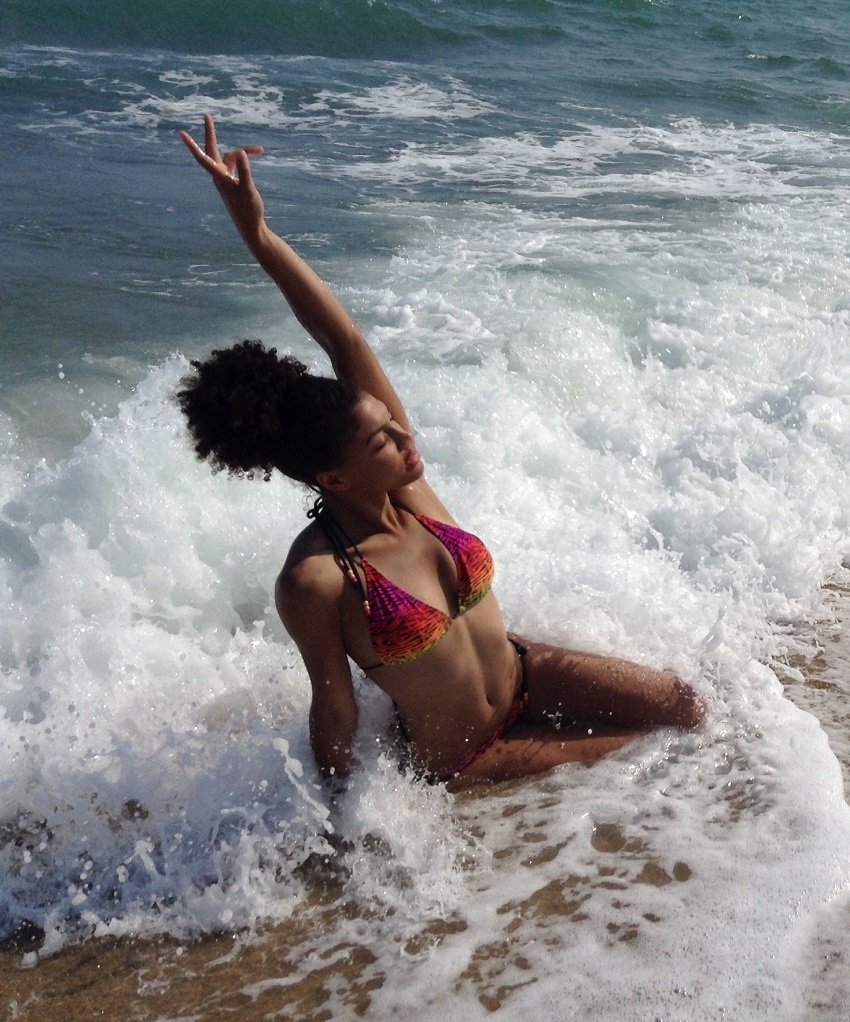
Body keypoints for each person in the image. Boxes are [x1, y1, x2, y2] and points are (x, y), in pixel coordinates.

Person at [176, 114, 704, 791]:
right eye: (383, 440)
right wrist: (344, 828)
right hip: (469, 754)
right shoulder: (318, 580)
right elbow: (333, 706)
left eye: (392, 426)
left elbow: (346, 345)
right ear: (334, 475)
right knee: (651, 759)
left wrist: (258, 234)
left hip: (526, 676)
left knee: (688, 714)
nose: (405, 437)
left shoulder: (409, 494)